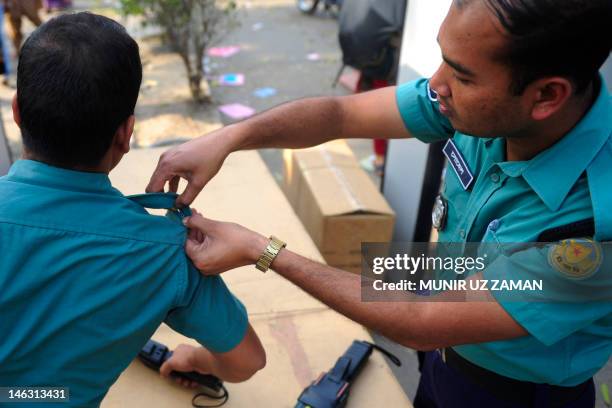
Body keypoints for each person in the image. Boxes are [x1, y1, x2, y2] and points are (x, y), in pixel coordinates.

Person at [148, 0, 612, 406]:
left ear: (547, 96)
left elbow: (420, 320)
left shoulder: (592, 224)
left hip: (510, 392)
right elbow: (340, 114)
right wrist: (231, 137)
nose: (437, 84)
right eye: (443, 59)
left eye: (462, 76)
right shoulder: (483, 102)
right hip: (439, 326)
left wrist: (260, 250)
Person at [0, 12, 265, 407]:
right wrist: (196, 358)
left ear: (17, 111)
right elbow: (247, 361)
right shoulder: (174, 254)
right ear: (126, 134)